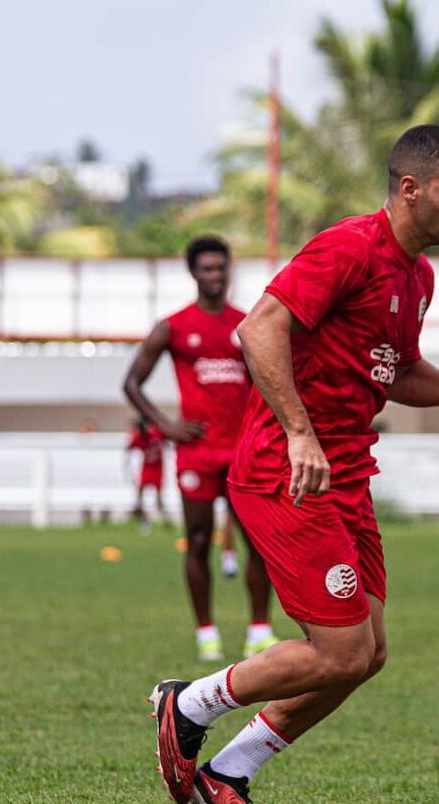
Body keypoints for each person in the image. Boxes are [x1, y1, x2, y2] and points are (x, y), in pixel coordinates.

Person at [150, 125, 439, 804]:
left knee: (366, 655)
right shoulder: (350, 246)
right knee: (341, 649)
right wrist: (298, 431)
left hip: (346, 475)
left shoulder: (419, 275)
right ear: (410, 189)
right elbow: (259, 328)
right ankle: (187, 704)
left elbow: (398, 371)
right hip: (283, 472)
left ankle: (228, 770)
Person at [123, 236, 277, 662]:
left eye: (220, 268)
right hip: (197, 454)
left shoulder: (248, 324)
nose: (214, 276)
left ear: (229, 271)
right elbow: (131, 383)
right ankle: (206, 631)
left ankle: (259, 629)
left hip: (245, 453)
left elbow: (273, 380)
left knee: (258, 542)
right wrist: (166, 426)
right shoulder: (174, 326)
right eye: (206, 269)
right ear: (193, 273)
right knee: (197, 539)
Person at [126, 418, 168, 525]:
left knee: (158, 496)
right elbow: (129, 448)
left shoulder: (156, 434)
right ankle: (141, 516)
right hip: (147, 467)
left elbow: (167, 438)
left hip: (158, 468)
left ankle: (165, 519)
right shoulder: (139, 438)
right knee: (140, 492)